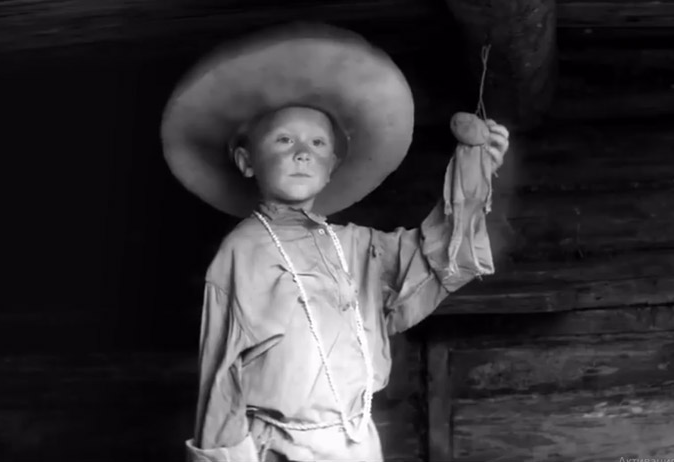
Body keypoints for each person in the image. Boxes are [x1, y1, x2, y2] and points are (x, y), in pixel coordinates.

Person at [160, 23, 510, 462]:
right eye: (283, 140)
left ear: (331, 168)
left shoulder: (356, 247)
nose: (301, 153)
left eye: (317, 142)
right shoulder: (243, 251)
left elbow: (434, 256)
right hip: (280, 447)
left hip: (357, 440)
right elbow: (221, 372)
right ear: (247, 161)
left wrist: (475, 170)